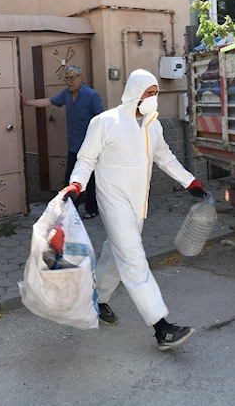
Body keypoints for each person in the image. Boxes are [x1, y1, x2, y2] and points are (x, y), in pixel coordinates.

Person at [62, 69, 208, 351]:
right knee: (133, 259)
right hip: (112, 200)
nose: (153, 98)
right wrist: (76, 184)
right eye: (148, 93)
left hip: (138, 203)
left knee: (116, 254)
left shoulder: (153, 125)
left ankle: (95, 299)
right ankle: (161, 327)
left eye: (155, 93)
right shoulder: (106, 122)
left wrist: (190, 182)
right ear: (134, 93)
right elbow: (86, 159)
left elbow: (165, 157)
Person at [22, 65, 104, 219]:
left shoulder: (91, 95)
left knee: (91, 180)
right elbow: (49, 101)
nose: (68, 82)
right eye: (66, 79)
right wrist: (26, 102)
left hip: (90, 147)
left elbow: (102, 119)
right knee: (70, 179)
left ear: (80, 78)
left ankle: (92, 209)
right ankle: (71, 211)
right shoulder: (66, 94)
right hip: (74, 146)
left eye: (71, 78)